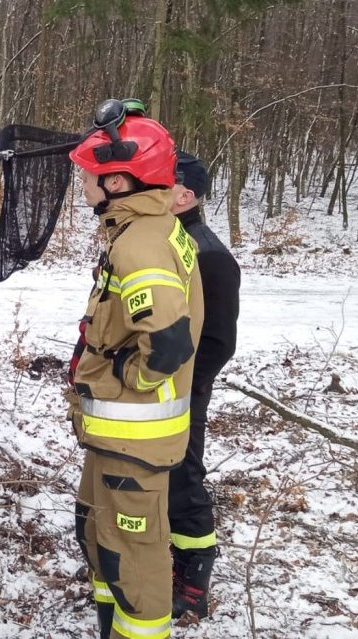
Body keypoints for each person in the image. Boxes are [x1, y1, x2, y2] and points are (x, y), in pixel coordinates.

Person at [65, 103, 203, 639]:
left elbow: (167, 345)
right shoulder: (140, 229)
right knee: (103, 538)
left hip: (136, 434)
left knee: (135, 557)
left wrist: (132, 384)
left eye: (88, 175)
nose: (82, 183)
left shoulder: (141, 246)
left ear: (117, 179)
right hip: (119, 435)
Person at [166, 151, 240, 618]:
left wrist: (187, 383)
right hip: (160, 388)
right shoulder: (168, 239)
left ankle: (195, 579)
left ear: (186, 195)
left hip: (185, 388)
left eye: (164, 182)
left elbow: (218, 341)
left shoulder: (209, 254)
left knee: (183, 474)